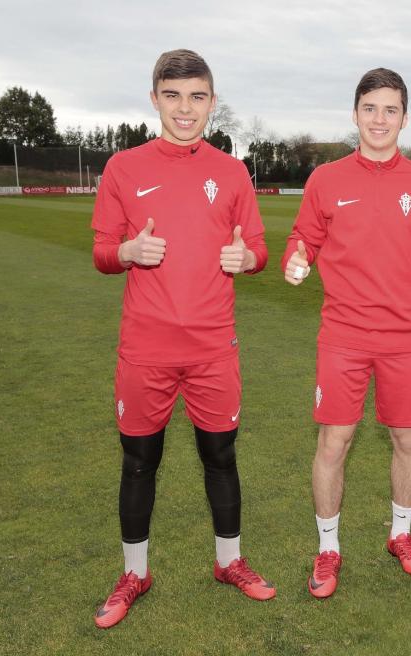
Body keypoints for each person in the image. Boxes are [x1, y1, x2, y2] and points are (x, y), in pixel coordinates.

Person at [90, 49, 274, 629]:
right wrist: (126, 252)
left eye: (197, 96)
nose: (186, 108)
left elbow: (260, 250)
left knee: (219, 453)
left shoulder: (232, 171)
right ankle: (134, 572)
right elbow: (101, 252)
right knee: (140, 460)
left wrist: (249, 257)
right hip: (145, 348)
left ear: (212, 102)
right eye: (173, 96)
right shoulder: (123, 167)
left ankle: (229, 561)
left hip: (213, 346)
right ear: (155, 100)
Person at [282, 68, 411, 599]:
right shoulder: (327, 179)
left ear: (404, 118)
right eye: (370, 108)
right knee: (335, 440)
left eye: (390, 109)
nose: (379, 119)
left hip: (404, 337)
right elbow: (304, 238)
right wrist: (296, 259)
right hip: (343, 335)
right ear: (355, 113)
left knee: (407, 438)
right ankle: (328, 548)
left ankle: (401, 535)